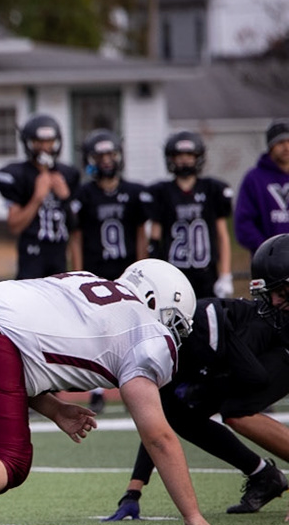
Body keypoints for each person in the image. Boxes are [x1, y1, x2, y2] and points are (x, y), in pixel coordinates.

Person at [0, 260, 225, 525]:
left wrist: (55, 409)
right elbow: (158, 437)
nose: (172, 333)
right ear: (155, 302)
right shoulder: (146, 332)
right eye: (175, 323)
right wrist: (193, 514)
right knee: (11, 458)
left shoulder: (84, 282)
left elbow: (22, 348)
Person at [106, 233, 289, 520]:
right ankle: (264, 476)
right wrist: (134, 490)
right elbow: (157, 420)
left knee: (235, 411)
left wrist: (208, 388)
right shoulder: (171, 345)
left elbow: (254, 377)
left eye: (282, 293)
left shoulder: (204, 327)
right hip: (244, 359)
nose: (276, 302)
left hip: (268, 352)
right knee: (180, 414)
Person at [69, 128, 148, 413]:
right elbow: (75, 238)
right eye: (100, 155)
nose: (105, 160)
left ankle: (137, 386)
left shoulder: (134, 193)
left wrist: (140, 270)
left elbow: (141, 233)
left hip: (125, 270)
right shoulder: (83, 195)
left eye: (110, 154)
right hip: (96, 271)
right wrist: (78, 274)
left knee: (132, 331)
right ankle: (97, 390)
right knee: (98, 332)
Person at [146, 130, 235, 301]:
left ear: (198, 157)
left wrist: (225, 275)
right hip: (174, 273)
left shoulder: (212, 189)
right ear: (171, 158)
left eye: (189, 154)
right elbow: (155, 239)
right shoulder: (162, 192)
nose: (184, 159)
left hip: (206, 273)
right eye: (179, 155)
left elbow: (222, 236)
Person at [0, 113, 78, 280]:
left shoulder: (68, 174)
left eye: (50, 141)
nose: (45, 147)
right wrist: (37, 198)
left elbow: (75, 228)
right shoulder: (18, 174)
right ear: (28, 143)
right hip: (32, 253)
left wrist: (66, 198)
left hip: (59, 253)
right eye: (39, 142)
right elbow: (14, 226)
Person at [233, 120, 289, 255]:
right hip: (269, 264)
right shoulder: (254, 179)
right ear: (270, 146)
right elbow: (244, 223)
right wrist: (268, 250)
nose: (286, 147)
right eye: (280, 143)